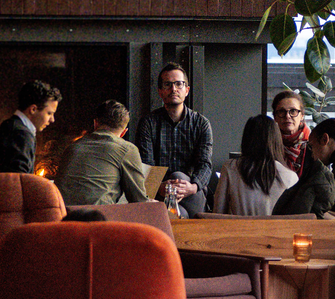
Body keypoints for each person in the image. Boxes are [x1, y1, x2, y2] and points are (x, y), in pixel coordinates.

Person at [134, 64, 213, 218]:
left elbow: (205, 164)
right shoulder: (148, 123)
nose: (173, 89)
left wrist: (193, 186)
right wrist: (159, 187)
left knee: (179, 176)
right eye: (167, 85)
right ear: (160, 92)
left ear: (187, 90)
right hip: (159, 194)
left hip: (192, 193)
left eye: (179, 84)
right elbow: (146, 164)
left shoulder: (201, 123)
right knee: (178, 214)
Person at [57, 99, 148, 206]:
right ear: (124, 132)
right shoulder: (127, 149)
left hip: (63, 217)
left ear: (95, 124)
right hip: (98, 218)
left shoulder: (72, 147)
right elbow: (138, 200)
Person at [214, 115, 297, 216]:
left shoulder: (230, 167)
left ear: (246, 139)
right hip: (277, 231)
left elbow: (218, 214)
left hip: (238, 231)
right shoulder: (291, 177)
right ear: (276, 140)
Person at [0, 79, 61, 175]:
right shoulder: (20, 135)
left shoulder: (10, 125)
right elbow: (18, 183)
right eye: (49, 113)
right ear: (33, 109)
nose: (52, 120)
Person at [272, 91, 310, 176]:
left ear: (302, 116)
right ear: (275, 117)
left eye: (293, 111)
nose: (287, 116)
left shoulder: (313, 144)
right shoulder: (269, 145)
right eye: (282, 111)